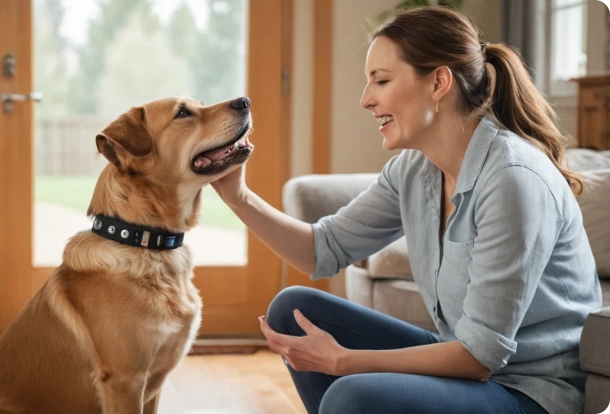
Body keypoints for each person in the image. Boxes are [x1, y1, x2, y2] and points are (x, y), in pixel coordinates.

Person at [211, 6, 603, 414]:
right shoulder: (416, 170)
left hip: (530, 392)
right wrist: (238, 196)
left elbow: (478, 357)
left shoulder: (512, 180)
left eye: (381, 80)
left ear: (438, 82)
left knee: (351, 394)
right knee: (293, 311)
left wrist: (342, 361)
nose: (366, 99)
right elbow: (321, 250)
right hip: (467, 365)